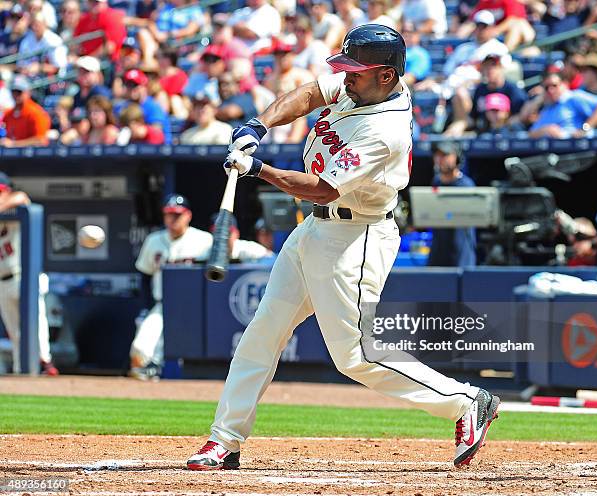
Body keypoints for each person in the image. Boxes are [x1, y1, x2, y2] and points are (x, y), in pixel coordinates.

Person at [186, 24, 499, 471]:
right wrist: (258, 126)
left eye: (357, 71)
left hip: (357, 238)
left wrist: (258, 168)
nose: (346, 78)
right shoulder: (363, 87)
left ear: (386, 75)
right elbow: (310, 94)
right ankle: (225, 440)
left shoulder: (385, 129)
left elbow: (321, 189)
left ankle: (467, 401)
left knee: (356, 355)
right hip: (315, 232)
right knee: (263, 331)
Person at [129, 194, 212, 380]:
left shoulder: (204, 240)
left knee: (191, 355)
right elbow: (145, 275)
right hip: (163, 304)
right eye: (169, 214)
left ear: (188, 215)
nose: (172, 219)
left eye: (177, 214)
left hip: (194, 307)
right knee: (140, 350)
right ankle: (149, 388)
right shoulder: (154, 240)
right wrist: (144, 307)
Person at [0, 171, 58, 376]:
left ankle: (45, 362)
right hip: (2, 281)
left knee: (35, 322)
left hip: (24, 275)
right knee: (15, 332)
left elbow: (21, 197)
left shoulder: (16, 203)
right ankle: (20, 371)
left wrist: (4, 202)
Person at [446, 54, 526, 136]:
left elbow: (522, 114)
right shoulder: (480, 89)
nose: (489, 70)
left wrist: (503, 124)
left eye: (493, 66)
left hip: (507, 132)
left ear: (501, 68)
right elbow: (473, 116)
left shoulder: (512, 90)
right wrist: (459, 125)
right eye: (486, 67)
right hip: (482, 131)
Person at [427, 142, 477, 267]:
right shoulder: (436, 182)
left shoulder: (466, 185)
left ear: (457, 158)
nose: (440, 159)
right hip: (438, 251)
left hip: (460, 251)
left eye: (445, 155)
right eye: (437, 155)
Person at [529, 71, 597, 138]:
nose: (551, 90)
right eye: (547, 88)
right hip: (551, 151)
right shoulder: (547, 108)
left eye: (554, 85)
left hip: (578, 149)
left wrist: (585, 128)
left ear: (564, 84)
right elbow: (530, 134)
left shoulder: (573, 97)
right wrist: (545, 130)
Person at [117, 68, 171, 143]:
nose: (131, 88)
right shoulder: (122, 107)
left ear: (144, 86)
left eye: (135, 85)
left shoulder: (152, 107)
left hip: (157, 150)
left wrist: (141, 130)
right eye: (128, 85)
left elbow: (157, 133)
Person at [458, 0, 535, 51]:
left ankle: (506, 52)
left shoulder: (510, 1)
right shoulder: (485, 2)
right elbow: (472, 20)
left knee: (516, 25)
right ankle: (455, 46)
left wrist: (496, 30)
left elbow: (513, 20)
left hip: (522, 36)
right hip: (496, 32)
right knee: (468, 26)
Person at [1, 76, 51, 147]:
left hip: (32, 156)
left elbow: (41, 140)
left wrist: (14, 144)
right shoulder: (8, 113)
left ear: (28, 92)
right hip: (11, 156)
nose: (16, 95)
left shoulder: (36, 112)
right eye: (14, 92)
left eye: (19, 92)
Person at [16, 12, 67, 77]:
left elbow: (59, 68)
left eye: (38, 25)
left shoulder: (54, 40)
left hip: (51, 80)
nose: (35, 28)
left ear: (45, 24)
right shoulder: (27, 40)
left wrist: (40, 67)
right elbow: (20, 64)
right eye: (33, 25)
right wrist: (25, 69)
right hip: (29, 78)